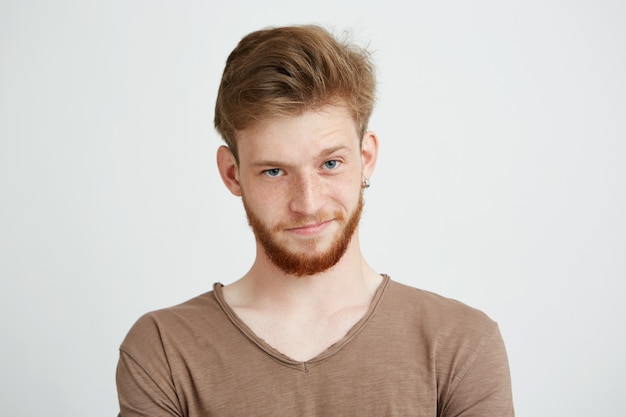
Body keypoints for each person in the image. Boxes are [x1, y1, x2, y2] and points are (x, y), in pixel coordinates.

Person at [116, 24, 515, 416]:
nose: (307, 204)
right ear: (232, 174)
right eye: (274, 171)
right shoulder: (165, 350)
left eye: (330, 163)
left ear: (367, 159)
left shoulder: (459, 343)